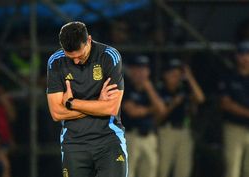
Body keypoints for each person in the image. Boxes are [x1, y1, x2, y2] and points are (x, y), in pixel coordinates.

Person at [46, 21, 127, 177]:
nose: (76, 61)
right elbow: (56, 113)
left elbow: (111, 108)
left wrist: (71, 103)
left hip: (108, 141)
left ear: (89, 40)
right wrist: (98, 104)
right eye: (71, 57)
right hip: (74, 144)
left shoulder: (109, 56)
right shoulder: (55, 62)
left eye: (80, 55)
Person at [157, 58, 205, 177]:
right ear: (165, 75)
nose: (175, 76)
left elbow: (200, 98)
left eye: (178, 73)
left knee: (183, 170)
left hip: (184, 131)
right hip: (167, 131)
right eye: (172, 73)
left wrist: (189, 77)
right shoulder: (160, 91)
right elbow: (158, 117)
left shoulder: (184, 89)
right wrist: (173, 104)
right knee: (163, 169)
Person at [122, 55, 166, 177]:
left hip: (149, 137)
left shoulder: (152, 89)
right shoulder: (125, 88)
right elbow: (133, 111)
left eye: (144, 69)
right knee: (128, 172)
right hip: (131, 136)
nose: (141, 73)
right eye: (137, 69)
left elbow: (162, 110)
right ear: (131, 71)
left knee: (150, 172)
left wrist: (149, 88)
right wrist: (152, 110)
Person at [219, 41, 249, 177]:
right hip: (234, 128)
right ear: (237, 57)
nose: (246, 58)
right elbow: (225, 104)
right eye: (243, 54)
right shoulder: (229, 77)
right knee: (232, 170)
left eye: (248, 54)